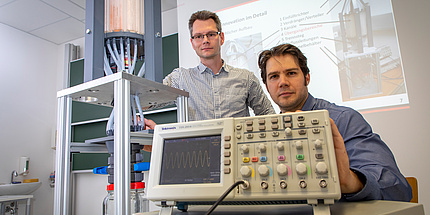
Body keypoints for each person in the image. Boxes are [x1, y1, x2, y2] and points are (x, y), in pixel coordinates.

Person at [258, 43, 412, 201]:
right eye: (274, 76)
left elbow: (396, 187)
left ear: (307, 78)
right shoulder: (262, 134)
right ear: (267, 87)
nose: (282, 82)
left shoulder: (344, 119)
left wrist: (349, 181)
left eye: (291, 73)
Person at [163, 10, 275, 121]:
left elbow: (268, 114)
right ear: (192, 43)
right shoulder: (181, 78)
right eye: (199, 36)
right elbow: (149, 99)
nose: (205, 40)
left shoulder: (246, 78)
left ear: (221, 38)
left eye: (211, 34)